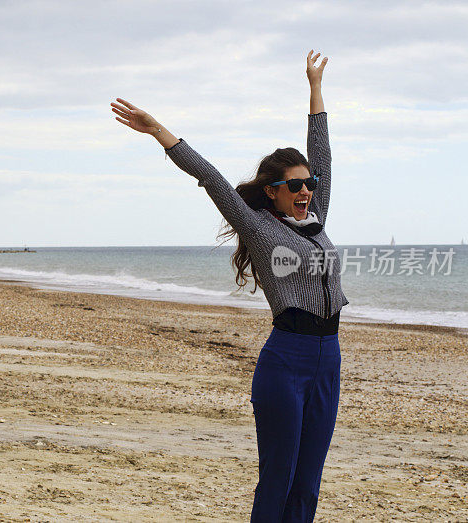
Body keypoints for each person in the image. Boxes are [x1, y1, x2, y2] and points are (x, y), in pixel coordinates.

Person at [111, 50, 348, 522]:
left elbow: (319, 152)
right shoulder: (258, 227)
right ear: (272, 192)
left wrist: (315, 89)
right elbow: (212, 178)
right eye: (295, 186)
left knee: (308, 481)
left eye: (310, 184)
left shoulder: (316, 219)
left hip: (329, 360)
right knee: (278, 475)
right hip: (286, 360)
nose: (306, 192)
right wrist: (159, 131)